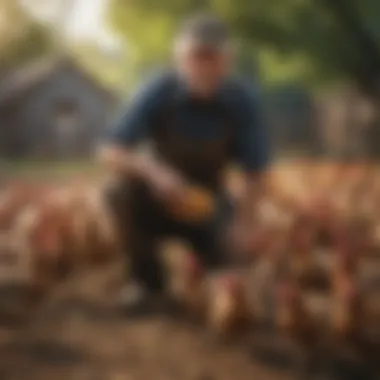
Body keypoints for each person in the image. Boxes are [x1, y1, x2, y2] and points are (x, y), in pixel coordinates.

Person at [99, 12, 270, 316]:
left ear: (227, 61)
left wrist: (245, 222)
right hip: (158, 198)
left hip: (208, 204)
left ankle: (210, 274)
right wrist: (154, 172)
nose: (204, 67)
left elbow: (256, 172)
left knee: (231, 267)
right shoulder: (158, 90)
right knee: (117, 192)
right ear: (180, 59)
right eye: (196, 57)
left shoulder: (242, 100)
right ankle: (147, 284)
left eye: (213, 58)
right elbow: (110, 150)